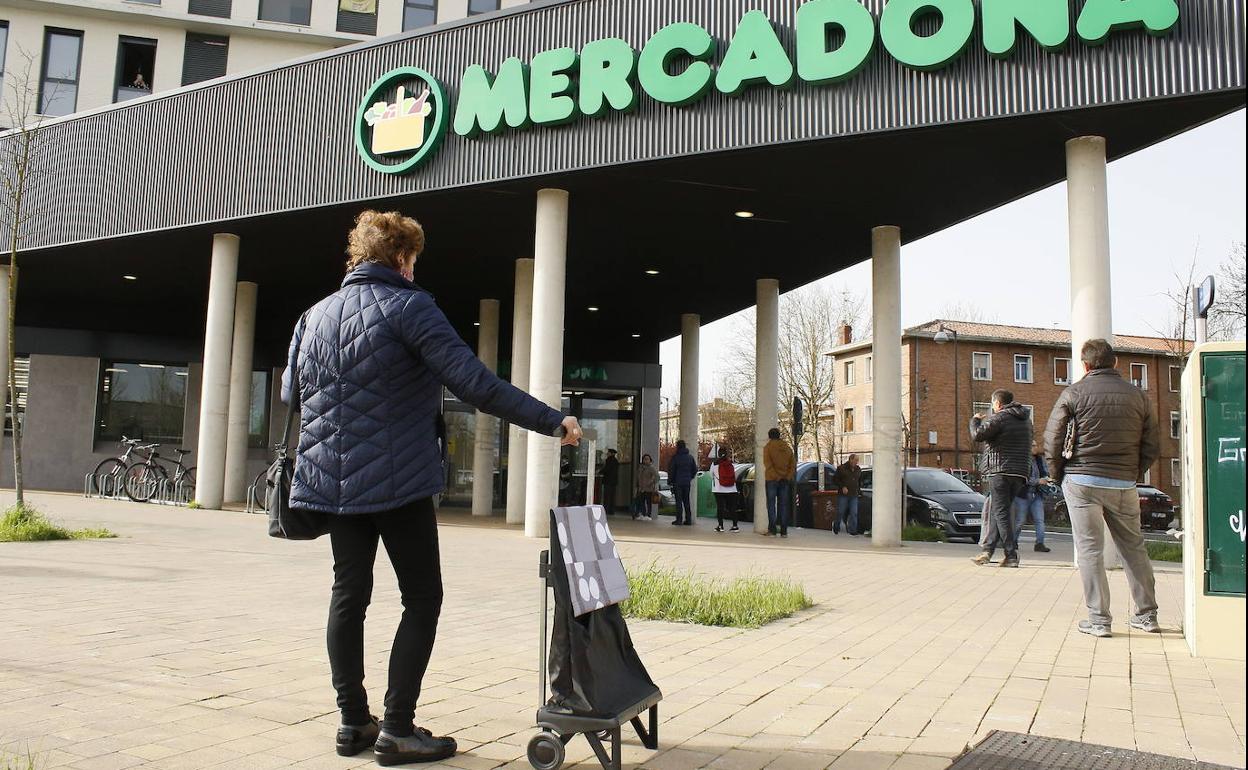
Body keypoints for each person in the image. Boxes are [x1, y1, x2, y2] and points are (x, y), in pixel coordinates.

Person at [282, 210, 583, 765]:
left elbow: (288, 394)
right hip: (398, 482)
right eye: (414, 259)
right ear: (402, 257)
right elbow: (475, 383)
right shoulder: (409, 307)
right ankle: (396, 728)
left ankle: (353, 723)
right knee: (422, 597)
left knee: (349, 594)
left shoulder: (313, 316)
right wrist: (552, 420)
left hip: (332, 483)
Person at [1045, 339, 1161, 639]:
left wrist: (1058, 475)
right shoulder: (1140, 396)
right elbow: (1152, 445)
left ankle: (1099, 620)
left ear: (1084, 365)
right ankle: (1147, 616)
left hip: (1081, 481)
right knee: (1133, 547)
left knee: (1089, 550)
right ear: (1116, 362)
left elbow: (1053, 438)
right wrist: (1132, 473)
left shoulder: (1073, 393)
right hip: (1123, 483)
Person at [969, 389, 1033, 568]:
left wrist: (974, 420)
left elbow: (978, 435)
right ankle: (987, 551)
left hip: (1000, 471)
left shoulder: (1000, 417)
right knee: (999, 512)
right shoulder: (1026, 420)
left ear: (997, 403)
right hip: (1020, 473)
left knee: (1001, 513)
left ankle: (1011, 555)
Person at [1013, 441, 1052, 553]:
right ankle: (1013, 541)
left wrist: (1047, 478)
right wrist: (1038, 481)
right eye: (1033, 446)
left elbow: (1045, 472)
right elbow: (1022, 478)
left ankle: (1040, 543)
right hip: (1023, 495)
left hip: (1037, 494)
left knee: (1040, 520)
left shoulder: (1039, 459)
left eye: (1036, 445)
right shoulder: (1022, 461)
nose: (1036, 448)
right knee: (1020, 520)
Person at [763, 428, 796, 537]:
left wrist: (776, 476)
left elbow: (768, 464)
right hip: (785, 481)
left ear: (769, 436)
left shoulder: (768, 447)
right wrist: (787, 476)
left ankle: (772, 530)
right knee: (783, 505)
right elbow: (793, 464)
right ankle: (784, 531)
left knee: (771, 505)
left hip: (772, 480)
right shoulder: (787, 447)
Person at [667, 439, 697, 526]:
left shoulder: (676, 457)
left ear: (678, 447)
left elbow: (671, 470)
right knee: (686, 501)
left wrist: (670, 481)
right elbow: (694, 470)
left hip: (677, 482)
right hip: (686, 483)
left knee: (679, 501)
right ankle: (688, 520)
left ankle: (679, 520)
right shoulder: (690, 457)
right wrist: (689, 477)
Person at [832, 454, 861, 536]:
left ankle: (853, 530)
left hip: (854, 494)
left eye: (857, 460)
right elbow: (835, 480)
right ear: (850, 460)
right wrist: (842, 487)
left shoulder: (858, 469)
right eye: (855, 460)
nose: (856, 462)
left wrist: (859, 491)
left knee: (854, 512)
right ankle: (836, 525)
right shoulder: (842, 468)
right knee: (840, 511)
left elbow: (859, 481)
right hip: (843, 494)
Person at [712, 447, 740, 533]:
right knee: (732, 508)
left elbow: (711, 475)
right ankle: (735, 526)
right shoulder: (730, 463)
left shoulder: (714, 464)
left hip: (718, 489)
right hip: (731, 489)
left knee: (720, 508)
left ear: (718, 454)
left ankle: (720, 526)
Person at [635, 453, 658, 521]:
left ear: (650, 460)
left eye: (647, 459)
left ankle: (648, 515)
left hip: (649, 488)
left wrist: (651, 482)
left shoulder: (651, 468)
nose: (646, 460)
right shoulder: (640, 468)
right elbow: (638, 477)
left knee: (648, 502)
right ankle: (643, 514)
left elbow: (656, 477)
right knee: (641, 501)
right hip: (641, 488)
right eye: (644, 459)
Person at [601, 448, 620, 516]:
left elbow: (606, 469)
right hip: (614, 481)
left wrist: (600, 471)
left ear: (612, 453)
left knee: (607, 496)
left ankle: (606, 509)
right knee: (612, 496)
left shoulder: (609, 460)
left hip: (608, 480)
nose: (607, 454)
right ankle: (611, 510)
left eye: (608, 452)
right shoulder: (616, 461)